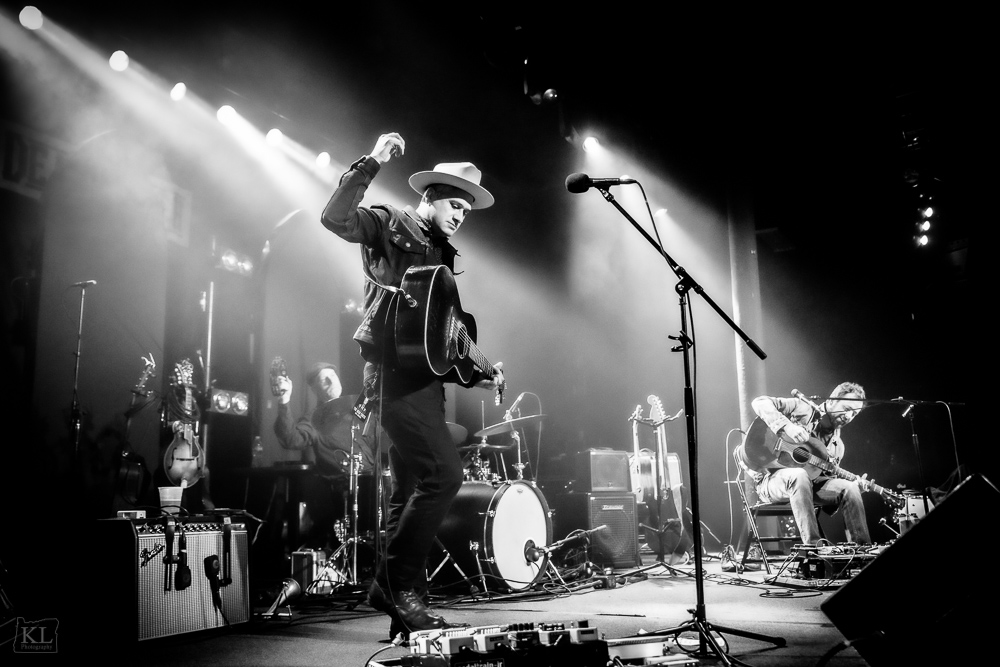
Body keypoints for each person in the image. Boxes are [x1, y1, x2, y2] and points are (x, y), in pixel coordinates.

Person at [320, 132, 505, 636]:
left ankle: (407, 603)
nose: (459, 215)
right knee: (444, 477)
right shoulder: (389, 222)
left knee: (408, 494)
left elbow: (446, 336)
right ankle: (392, 584)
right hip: (392, 379)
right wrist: (371, 162)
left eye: (465, 211)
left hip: (425, 382)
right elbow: (335, 218)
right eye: (452, 204)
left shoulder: (444, 255)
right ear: (428, 197)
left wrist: (483, 368)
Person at [735, 382, 871, 549]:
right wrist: (787, 427)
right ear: (832, 401)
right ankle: (814, 550)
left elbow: (826, 485)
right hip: (770, 480)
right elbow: (759, 402)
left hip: (810, 488)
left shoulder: (838, 447)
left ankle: (863, 552)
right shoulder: (800, 408)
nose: (849, 416)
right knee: (799, 474)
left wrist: (855, 489)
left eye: (855, 414)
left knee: (850, 487)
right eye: (847, 408)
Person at [273, 362, 376, 551]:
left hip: (375, 484)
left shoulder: (359, 409)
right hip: (344, 492)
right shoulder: (315, 419)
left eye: (333, 376)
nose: (331, 381)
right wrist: (284, 400)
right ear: (314, 389)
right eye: (324, 379)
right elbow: (291, 439)